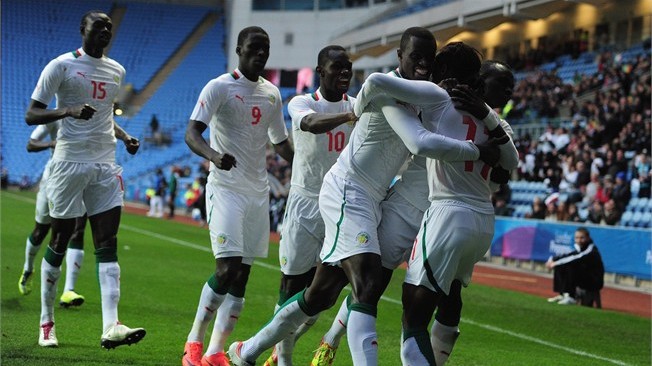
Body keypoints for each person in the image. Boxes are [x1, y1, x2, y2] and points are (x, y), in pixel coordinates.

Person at [228, 29, 496, 366]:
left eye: (430, 57)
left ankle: (246, 351)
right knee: (368, 282)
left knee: (320, 295)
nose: (424, 63)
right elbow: (415, 139)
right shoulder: (388, 89)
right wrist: (477, 149)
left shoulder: (425, 98)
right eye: (416, 56)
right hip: (347, 189)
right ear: (400, 56)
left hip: (376, 198)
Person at [312, 56, 518, 366]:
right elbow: (504, 169)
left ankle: (425, 358)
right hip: (412, 209)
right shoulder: (454, 108)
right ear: (477, 81)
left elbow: (503, 173)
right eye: (499, 84)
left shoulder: (490, 122)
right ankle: (331, 338)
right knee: (374, 283)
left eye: (511, 87)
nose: (508, 92)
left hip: (445, 215)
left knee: (440, 302)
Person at [25, 10, 144, 349]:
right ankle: (47, 322)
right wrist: (68, 111)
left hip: (105, 163)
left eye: (109, 26)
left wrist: (124, 137)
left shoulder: (116, 70)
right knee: (60, 239)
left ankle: (112, 325)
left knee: (107, 241)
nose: (105, 30)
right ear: (83, 30)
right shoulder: (60, 66)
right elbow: (31, 113)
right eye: (98, 25)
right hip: (69, 162)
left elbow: (105, 117)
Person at [181, 26, 293, 366]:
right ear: (240, 50)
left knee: (242, 275)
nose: (261, 54)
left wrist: (309, 165)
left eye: (266, 49)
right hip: (225, 190)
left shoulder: (272, 94)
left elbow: (281, 143)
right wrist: (214, 156)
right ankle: (193, 343)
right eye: (254, 48)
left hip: (257, 193)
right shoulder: (219, 87)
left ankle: (216, 351)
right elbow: (191, 133)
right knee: (226, 269)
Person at [262, 45, 357, 366]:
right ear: (321, 71)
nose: (344, 73)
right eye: (337, 67)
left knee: (322, 296)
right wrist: (347, 116)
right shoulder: (302, 102)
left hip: (341, 207)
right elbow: (313, 124)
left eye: (348, 67)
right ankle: (283, 360)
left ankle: (282, 352)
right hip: (304, 205)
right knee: (291, 286)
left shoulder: (358, 106)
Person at [19, 123, 88, 309]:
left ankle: (68, 290)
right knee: (41, 231)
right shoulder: (52, 119)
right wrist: (52, 143)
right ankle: (28, 268)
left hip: (80, 177)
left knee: (77, 230)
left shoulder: (87, 117)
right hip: (53, 178)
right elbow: (31, 144)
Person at [546, 228, 605, 306]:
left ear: (588, 238)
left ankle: (571, 297)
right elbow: (570, 255)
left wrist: (555, 263)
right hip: (584, 277)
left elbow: (576, 258)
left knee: (569, 265)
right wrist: (552, 259)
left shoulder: (591, 250)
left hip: (594, 281)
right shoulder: (581, 248)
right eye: (576, 238)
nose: (579, 240)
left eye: (582, 238)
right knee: (561, 265)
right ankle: (563, 294)